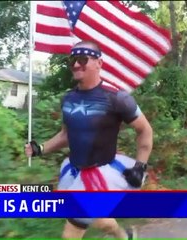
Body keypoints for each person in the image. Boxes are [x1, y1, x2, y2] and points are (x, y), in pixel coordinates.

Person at [25, 40, 153, 240]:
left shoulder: (118, 98)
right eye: (73, 60)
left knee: (71, 233)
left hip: (103, 170)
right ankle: (125, 236)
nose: (76, 64)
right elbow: (66, 135)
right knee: (100, 220)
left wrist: (140, 166)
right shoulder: (68, 99)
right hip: (75, 169)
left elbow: (145, 130)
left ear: (99, 63)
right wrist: (40, 148)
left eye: (83, 59)